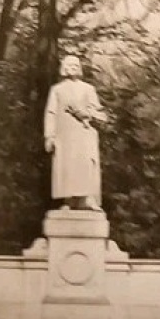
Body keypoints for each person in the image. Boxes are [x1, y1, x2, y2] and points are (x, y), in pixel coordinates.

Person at [43, 54, 106, 210]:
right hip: (64, 135)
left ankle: (86, 199)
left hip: (84, 134)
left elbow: (99, 113)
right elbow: (51, 113)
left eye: (76, 65)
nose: (73, 68)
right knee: (66, 165)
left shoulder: (88, 89)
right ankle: (69, 200)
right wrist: (49, 136)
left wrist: (85, 113)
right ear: (64, 68)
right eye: (69, 65)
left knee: (84, 164)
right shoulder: (57, 90)